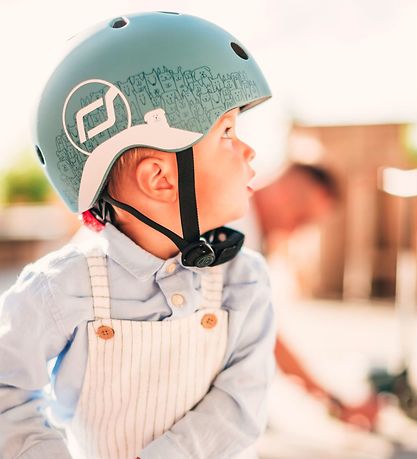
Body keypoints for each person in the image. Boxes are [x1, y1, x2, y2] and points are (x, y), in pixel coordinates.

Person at [0, 12, 275, 459]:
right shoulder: (58, 288)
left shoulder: (244, 280)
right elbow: (6, 389)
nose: (249, 150)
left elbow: (243, 402)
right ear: (160, 178)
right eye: (227, 132)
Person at [236, 163, 380, 430]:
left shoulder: (252, 237)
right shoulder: (235, 234)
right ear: (286, 190)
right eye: (301, 218)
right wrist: (336, 401)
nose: (295, 230)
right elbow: (267, 335)